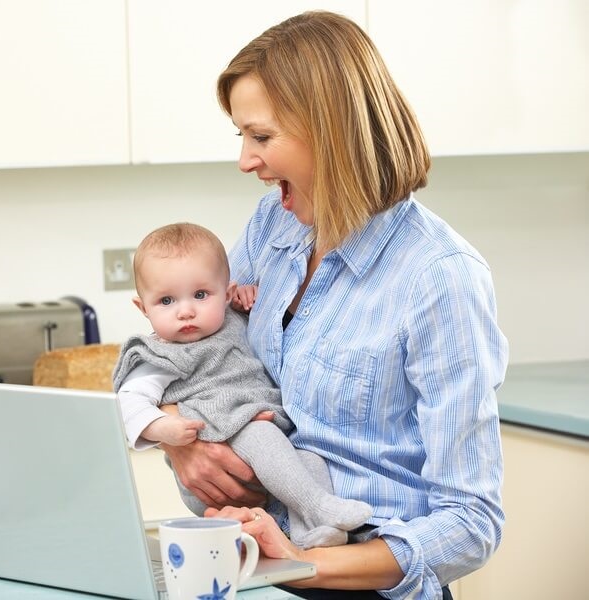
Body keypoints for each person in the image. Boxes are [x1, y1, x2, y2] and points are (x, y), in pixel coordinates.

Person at [161, 11, 508, 600]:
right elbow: (203, 351)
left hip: (353, 582)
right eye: (241, 136)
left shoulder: (439, 279)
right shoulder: (273, 226)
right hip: (258, 570)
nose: (246, 160)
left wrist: (303, 561)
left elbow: (472, 523)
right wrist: (181, 445)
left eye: (262, 137)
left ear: (333, 130)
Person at [113, 222, 372, 549]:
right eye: (166, 301)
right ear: (143, 308)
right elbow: (127, 403)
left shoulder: (231, 319)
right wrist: (164, 428)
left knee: (310, 460)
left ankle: (312, 535)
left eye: (201, 295)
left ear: (226, 291)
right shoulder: (159, 355)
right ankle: (320, 508)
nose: (186, 311)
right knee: (259, 433)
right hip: (214, 462)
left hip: (263, 447)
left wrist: (249, 298)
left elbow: (257, 314)